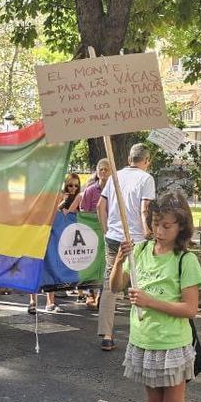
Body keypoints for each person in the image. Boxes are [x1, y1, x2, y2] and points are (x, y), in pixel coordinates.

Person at [112, 194, 201, 402]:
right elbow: (115, 287)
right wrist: (119, 261)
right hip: (144, 340)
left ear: (181, 227)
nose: (159, 230)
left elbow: (190, 308)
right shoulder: (140, 250)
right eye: (155, 223)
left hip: (172, 344)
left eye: (167, 225)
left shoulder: (185, 260)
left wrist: (150, 301)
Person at [96, 143, 157, 351]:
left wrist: (106, 230)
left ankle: (107, 335)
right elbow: (145, 209)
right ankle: (144, 332)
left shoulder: (115, 176)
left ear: (130, 159)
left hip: (114, 237)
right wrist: (148, 231)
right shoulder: (146, 179)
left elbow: (100, 206)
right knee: (141, 283)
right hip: (136, 238)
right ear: (146, 161)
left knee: (109, 285)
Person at [30, 173, 83, 314]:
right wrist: (62, 204)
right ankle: (32, 301)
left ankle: (50, 302)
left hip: (61, 237)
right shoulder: (56, 195)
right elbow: (49, 211)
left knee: (52, 267)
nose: (73, 188)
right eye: (70, 185)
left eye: (76, 185)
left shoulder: (79, 197)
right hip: (44, 234)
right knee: (37, 266)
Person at [79, 158, 112, 309]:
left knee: (105, 263)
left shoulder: (115, 189)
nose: (103, 172)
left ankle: (101, 295)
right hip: (92, 232)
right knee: (91, 263)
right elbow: (83, 211)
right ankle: (90, 294)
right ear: (97, 172)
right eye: (101, 169)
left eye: (106, 169)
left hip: (109, 232)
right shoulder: (90, 190)